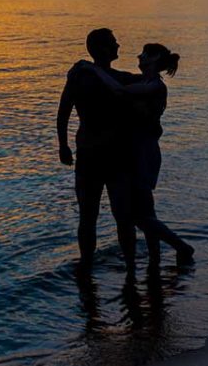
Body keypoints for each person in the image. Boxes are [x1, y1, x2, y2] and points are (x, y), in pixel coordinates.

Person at [79, 43, 195, 268]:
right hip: (135, 150)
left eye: (144, 54)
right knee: (145, 209)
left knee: (134, 215)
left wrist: (93, 69)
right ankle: (155, 260)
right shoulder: (143, 82)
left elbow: (120, 90)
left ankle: (181, 246)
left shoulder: (154, 86)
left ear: (153, 60)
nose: (138, 56)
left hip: (143, 153)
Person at [57, 28, 139, 273]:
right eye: (113, 43)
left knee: (93, 215)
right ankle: (128, 266)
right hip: (107, 155)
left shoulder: (81, 77)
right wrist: (63, 145)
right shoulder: (112, 79)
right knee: (119, 215)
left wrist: (63, 145)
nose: (118, 46)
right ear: (102, 49)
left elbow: (63, 113)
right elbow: (64, 112)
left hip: (96, 153)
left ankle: (89, 266)